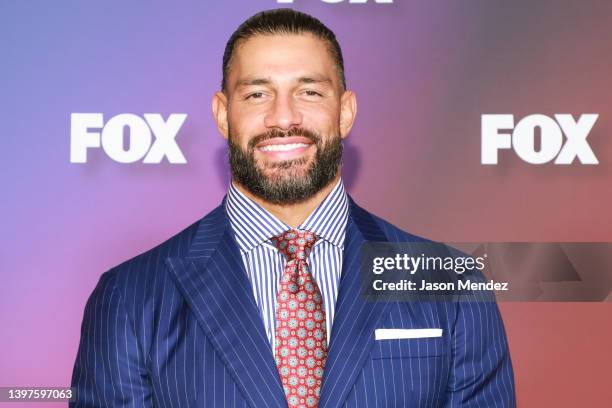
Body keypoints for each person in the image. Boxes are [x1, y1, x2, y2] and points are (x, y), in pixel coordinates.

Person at [70, 8, 515, 407]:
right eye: (257, 94)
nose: (283, 118)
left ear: (345, 111)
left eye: (310, 93)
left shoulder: (450, 285)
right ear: (223, 114)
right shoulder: (130, 297)